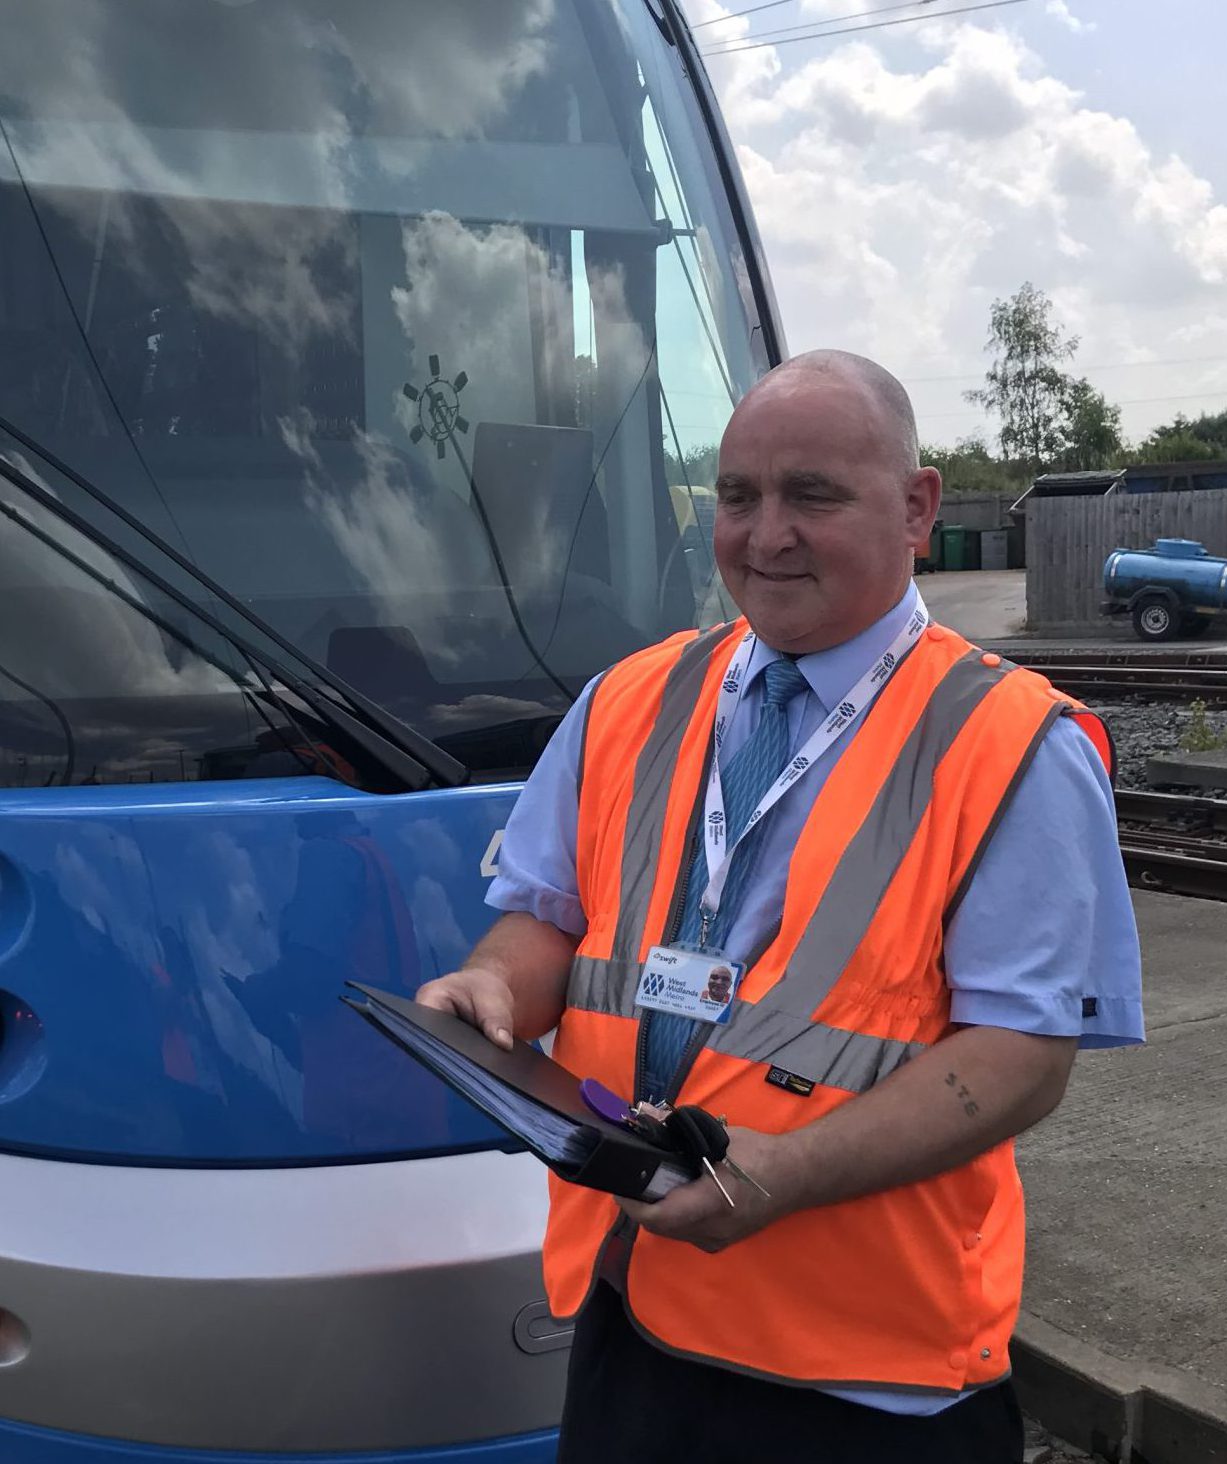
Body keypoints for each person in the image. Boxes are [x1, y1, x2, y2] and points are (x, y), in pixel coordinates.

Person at [418, 350, 1143, 1464]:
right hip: (636, 1308)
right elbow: (546, 918)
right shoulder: (630, 697)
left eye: (811, 495)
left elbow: (1021, 1055)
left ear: (916, 509)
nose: (764, 537)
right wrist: (491, 986)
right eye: (738, 497)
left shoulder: (1012, 745)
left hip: (864, 1380)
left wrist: (785, 1171)